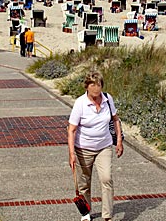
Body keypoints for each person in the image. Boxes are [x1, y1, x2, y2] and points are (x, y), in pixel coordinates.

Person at [68, 71, 123, 221]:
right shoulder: (80, 103)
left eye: (98, 86)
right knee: (84, 183)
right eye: (92, 87)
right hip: (83, 149)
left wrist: (118, 140)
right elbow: (71, 130)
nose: (96, 92)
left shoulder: (107, 98)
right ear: (86, 87)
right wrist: (72, 153)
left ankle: (107, 216)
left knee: (106, 178)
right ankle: (86, 213)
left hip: (104, 147)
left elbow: (116, 119)